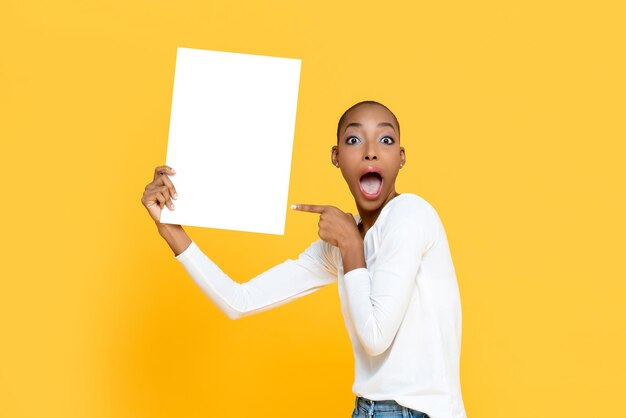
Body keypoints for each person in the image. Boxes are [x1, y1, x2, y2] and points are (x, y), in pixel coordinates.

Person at [141, 101, 466, 418]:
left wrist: (350, 243)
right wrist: (168, 227)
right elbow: (239, 301)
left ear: (401, 157)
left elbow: (375, 337)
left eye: (386, 139)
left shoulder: (411, 214)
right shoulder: (343, 243)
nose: (371, 151)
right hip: (365, 408)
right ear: (336, 157)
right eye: (354, 140)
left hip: (419, 412)